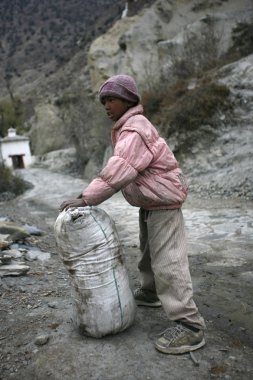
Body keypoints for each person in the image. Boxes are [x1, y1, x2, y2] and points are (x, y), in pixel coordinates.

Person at [59, 74, 206, 354]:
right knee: (149, 255)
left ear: (128, 100)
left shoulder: (135, 129)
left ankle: (190, 325)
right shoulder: (128, 126)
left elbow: (119, 168)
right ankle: (150, 293)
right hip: (152, 201)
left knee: (168, 262)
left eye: (111, 99)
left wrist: (85, 198)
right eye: (104, 101)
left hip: (163, 201)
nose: (106, 106)